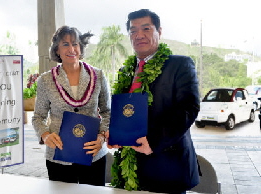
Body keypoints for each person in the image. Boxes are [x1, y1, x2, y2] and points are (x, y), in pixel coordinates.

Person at [108, 9, 200, 194]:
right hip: (132, 169)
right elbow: (126, 111)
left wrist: (154, 141)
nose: (139, 35)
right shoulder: (127, 71)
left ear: (159, 31)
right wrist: (115, 134)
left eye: (146, 28)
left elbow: (188, 109)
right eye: (133, 31)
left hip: (168, 167)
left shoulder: (180, 65)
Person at [32, 25, 111, 186]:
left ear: (81, 48)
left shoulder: (98, 75)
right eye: (65, 44)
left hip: (93, 154)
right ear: (57, 50)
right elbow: (38, 117)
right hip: (59, 155)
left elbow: (108, 112)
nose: (71, 49)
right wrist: (45, 135)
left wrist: (102, 137)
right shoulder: (45, 80)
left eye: (75, 44)